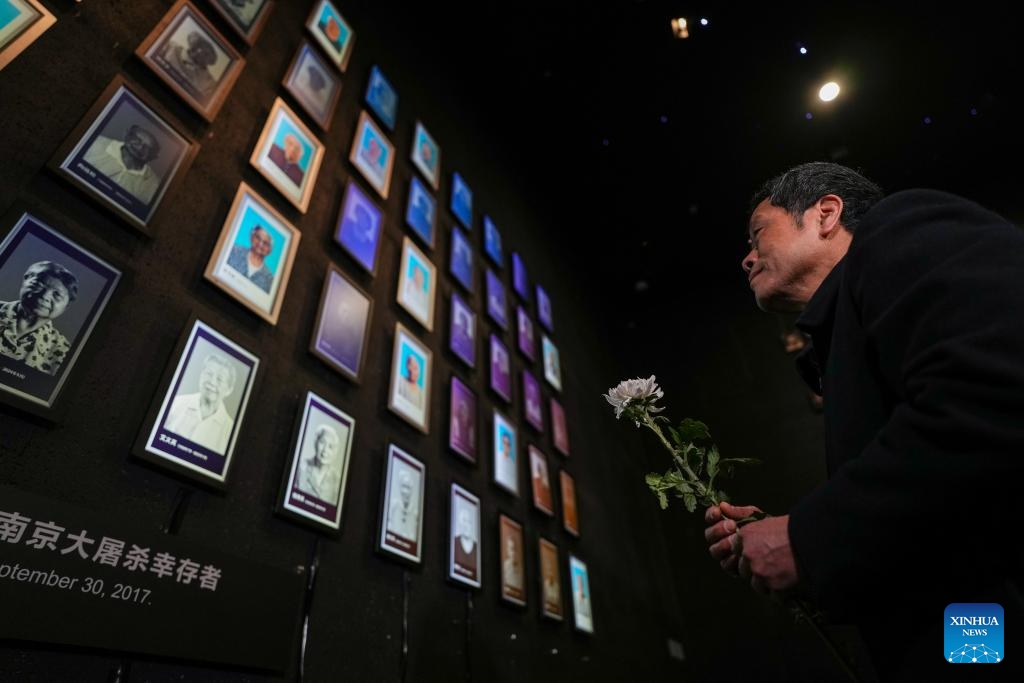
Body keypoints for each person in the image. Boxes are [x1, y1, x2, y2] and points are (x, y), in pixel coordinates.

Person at [703, 161, 1024, 681]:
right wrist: (796, 558)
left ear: (826, 213)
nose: (746, 258)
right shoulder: (841, 339)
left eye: (759, 234)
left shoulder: (901, 227)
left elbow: (996, 393)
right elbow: (943, 527)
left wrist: (808, 537)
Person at [0, 261, 78, 376]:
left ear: (65, 307)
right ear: (25, 280)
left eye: (57, 295)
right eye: (38, 285)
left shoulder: (63, 352)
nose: (44, 296)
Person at [164, 353, 236, 454]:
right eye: (209, 374)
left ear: (229, 390)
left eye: (219, 379)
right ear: (201, 374)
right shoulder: (175, 403)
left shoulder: (230, 430)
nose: (212, 382)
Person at [81, 124, 162, 205]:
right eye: (137, 139)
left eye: (148, 148)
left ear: (153, 157)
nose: (140, 147)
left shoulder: (154, 186)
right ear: (126, 134)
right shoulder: (94, 143)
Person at [159, 30, 218, 101]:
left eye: (208, 54)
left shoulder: (209, 83)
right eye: (200, 45)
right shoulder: (171, 47)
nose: (200, 51)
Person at [294, 424, 341, 502]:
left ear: (335, 452)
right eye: (322, 442)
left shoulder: (337, 479)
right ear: (316, 442)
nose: (325, 450)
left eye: (330, 446)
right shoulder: (300, 467)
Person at [226, 224, 274, 293]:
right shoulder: (233, 251)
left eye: (265, 243)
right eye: (258, 238)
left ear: (269, 250)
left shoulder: (269, 280)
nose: (260, 244)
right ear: (251, 237)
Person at [386, 467, 419, 542]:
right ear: (400, 488)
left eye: (408, 488)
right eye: (403, 487)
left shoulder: (415, 513)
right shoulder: (393, 507)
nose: (406, 492)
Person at [452, 505, 477, 579]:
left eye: (468, 521)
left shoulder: (477, 548)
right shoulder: (454, 543)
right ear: (460, 524)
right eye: (464, 521)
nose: (466, 525)